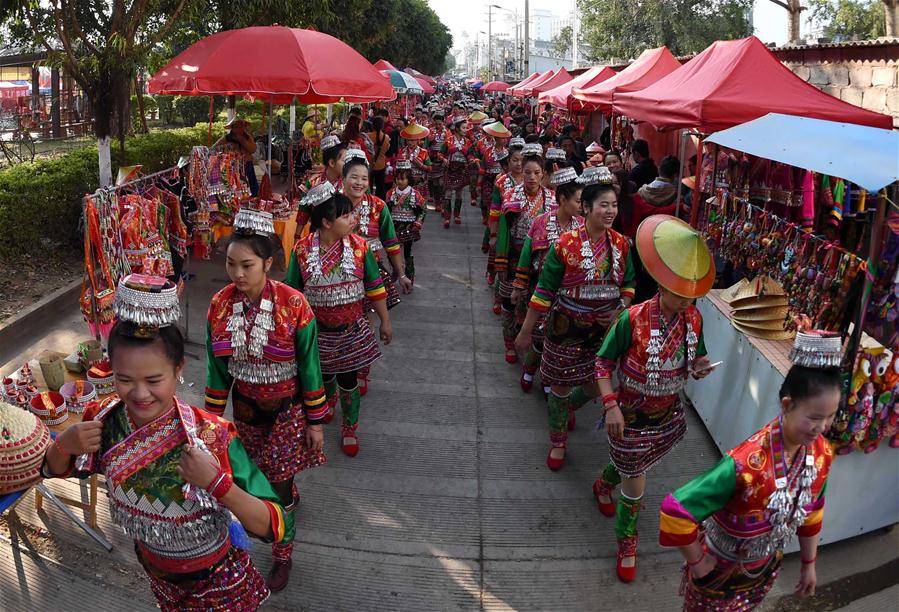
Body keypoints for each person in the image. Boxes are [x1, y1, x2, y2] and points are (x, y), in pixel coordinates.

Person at [44, 275, 287, 610]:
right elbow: (53, 469)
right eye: (125, 379)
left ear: (178, 369)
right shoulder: (103, 421)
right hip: (157, 576)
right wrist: (63, 445)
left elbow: (274, 524)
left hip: (218, 582)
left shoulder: (211, 436)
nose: (140, 394)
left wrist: (217, 484)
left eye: (154, 380)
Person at [660, 322, 840, 610]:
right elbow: (675, 511)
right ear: (786, 405)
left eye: (830, 416)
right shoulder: (745, 464)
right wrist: (697, 560)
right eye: (814, 416)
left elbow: (812, 512)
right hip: (717, 574)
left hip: (763, 571)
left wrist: (809, 564)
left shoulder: (821, 455)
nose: (822, 427)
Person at [204, 206, 327, 590]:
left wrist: (316, 421)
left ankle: (282, 553)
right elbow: (217, 369)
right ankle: (285, 493)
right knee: (250, 482)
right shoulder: (219, 306)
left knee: (275, 488)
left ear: (269, 263)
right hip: (244, 412)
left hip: (287, 412)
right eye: (230, 265)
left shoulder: (294, 306)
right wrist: (209, 424)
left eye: (247, 265)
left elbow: (309, 366)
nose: (238, 274)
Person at [592, 214, 716, 583]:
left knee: (635, 471)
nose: (686, 302)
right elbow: (601, 363)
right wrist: (610, 404)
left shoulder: (693, 320)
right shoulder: (630, 320)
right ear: (662, 285)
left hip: (666, 416)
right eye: (681, 295)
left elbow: (697, 358)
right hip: (629, 415)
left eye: (692, 296)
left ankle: (603, 481)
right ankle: (627, 541)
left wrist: (701, 367)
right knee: (637, 480)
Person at [516, 172, 635, 470]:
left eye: (614, 205)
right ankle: (558, 441)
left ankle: (568, 407)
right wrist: (526, 330)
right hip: (566, 326)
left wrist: (621, 306)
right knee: (559, 386)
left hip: (604, 331)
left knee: (597, 385)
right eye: (603, 205)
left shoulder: (621, 244)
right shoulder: (565, 245)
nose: (609, 211)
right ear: (586, 208)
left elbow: (629, 284)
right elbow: (544, 291)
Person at [286, 186, 392, 457]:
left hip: (350, 331)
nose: (352, 220)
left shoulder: (360, 247)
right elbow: (292, 294)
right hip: (316, 332)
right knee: (323, 375)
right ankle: (327, 401)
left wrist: (385, 320)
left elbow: (375, 285)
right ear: (326, 222)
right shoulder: (301, 250)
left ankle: (349, 427)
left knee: (348, 379)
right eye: (345, 216)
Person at [511, 167, 585, 396]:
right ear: (563, 199)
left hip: (570, 295)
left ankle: (547, 376)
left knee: (558, 340)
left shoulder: (582, 226)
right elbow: (526, 256)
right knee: (540, 335)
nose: (582, 206)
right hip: (542, 289)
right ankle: (530, 368)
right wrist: (519, 285)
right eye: (578, 201)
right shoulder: (541, 222)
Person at [495, 143, 556, 364]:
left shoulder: (551, 199)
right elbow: (503, 230)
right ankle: (509, 341)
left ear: (544, 175)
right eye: (528, 172)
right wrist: (500, 260)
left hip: (539, 259)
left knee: (534, 300)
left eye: (536, 173)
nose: (531, 177)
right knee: (509, 300)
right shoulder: (512, 195)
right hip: (513, 254)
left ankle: (526, 335)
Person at [487, 139, 525, 314]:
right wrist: (494, 234)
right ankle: (499, 298)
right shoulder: (501, 181)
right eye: (515, 160)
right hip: (504, 230)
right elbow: (494, 209)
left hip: (526, 232)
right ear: (508, 162)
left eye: (522, 160)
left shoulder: (530, 180)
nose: (519, 164)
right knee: (502, 267)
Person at [386, 160, 426, 283]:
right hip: (394, 226)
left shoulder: (415, 194)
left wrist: (418, 223)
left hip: (409, 226)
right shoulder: (390, 193)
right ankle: (396, 271)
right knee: (391, 251)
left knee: (408, 252)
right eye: (398, 179)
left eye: (403, 179)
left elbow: (423, 210)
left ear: (409, 179)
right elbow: (385, 210)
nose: (400, 181)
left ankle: (409, 275)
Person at [295, 135, 347, 227]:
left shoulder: (347, 184)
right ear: (332, 163)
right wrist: (297, 237)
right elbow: (304, 211)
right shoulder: (313, 182)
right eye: (344, 160)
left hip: (340, 234)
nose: (347, 164)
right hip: (317, 233)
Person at [214, 116, 258, 197]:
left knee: (251, 186)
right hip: (233, 167)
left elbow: (253, 149)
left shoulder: (247, 137)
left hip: (247, 164)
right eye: (237, 126)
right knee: (237, 186)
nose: (240, 128)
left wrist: (243, 141)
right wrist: (227, 148)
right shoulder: (227, 138)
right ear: (233, 128)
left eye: (242, 126)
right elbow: (215, 148)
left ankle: (252, 198)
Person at [444, 117, 474, 228]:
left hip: (461, 170)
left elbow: (471, 155)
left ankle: (457, 215)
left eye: (466, 128)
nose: (466, 130)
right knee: (447, 193)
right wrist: (444, 159)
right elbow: (440, 153)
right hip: (450, 169)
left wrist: (471, 160)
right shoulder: (448, 140)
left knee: (459, 194)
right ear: (457, 128)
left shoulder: (468, 142)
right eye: (463, 128)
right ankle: (447, 217)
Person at [427, 110, 449, 214]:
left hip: (443, 160)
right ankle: (437, 202)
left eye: (440, 123)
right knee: (435, 182)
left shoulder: (447, 132)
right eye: (436, 124)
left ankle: (442, 201)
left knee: (441, 183)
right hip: (433, 159)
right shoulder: (430, 131)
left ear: (443, 123)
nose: (438, 125)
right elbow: (426, 144)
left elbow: (449, 146)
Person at [367, 116, 391, 200]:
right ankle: (380, 204)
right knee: (380, 187)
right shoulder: (386, 137)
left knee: (368, 186)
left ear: (372, 125)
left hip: (369, 164)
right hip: (381, 165)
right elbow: (387, 149)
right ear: (382, 126)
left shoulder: (367, 136)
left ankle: (368, 201)